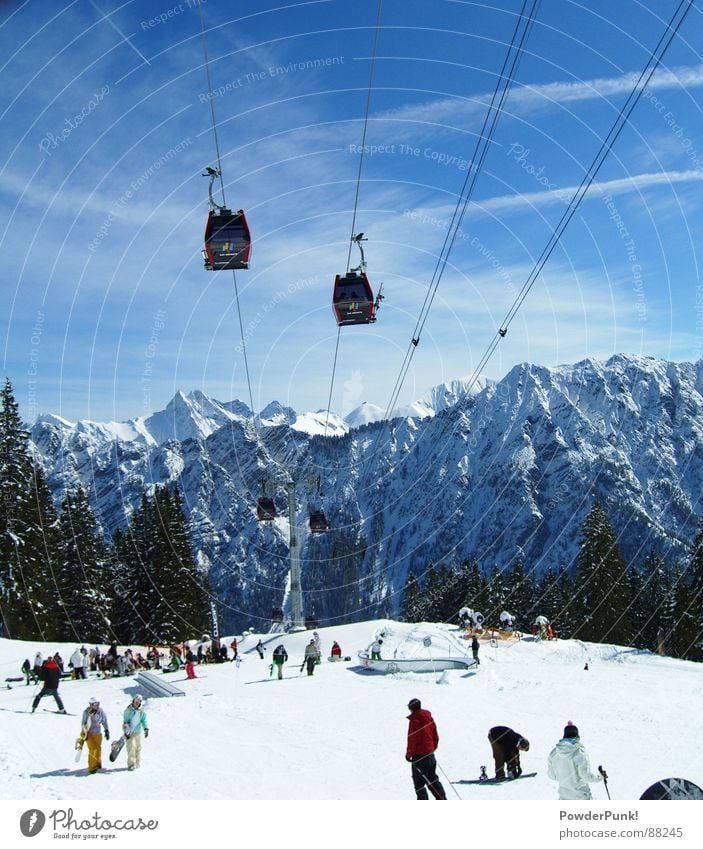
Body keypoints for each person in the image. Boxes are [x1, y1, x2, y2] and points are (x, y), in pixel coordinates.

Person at [547, 721, 604, 800]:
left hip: (564, 797)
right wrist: (600, 777)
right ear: (577, 736)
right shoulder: (579, 753)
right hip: (581, 797)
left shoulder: (553, 754)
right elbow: (586, 777)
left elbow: (552, 776)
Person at [405, 698, 446, 800]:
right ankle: (442, 799)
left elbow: (412, 739)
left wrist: (409, 754)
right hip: (430, 754)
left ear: (411, 708)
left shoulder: (414, 720)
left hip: (419, 756)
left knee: (419, 783)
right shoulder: (429, 718)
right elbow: (435, 735)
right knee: (432, 779)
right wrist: (432, 748)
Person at [79, 696, 109, 774]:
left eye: (97, 704)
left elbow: (104, 720)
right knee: (93, 749)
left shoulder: (100, 711)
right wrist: (84, 734)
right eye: (94, 704)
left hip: (98, 733)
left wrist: (106, 730)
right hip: (89, 734)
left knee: (98, 748)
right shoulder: (86, 712)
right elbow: (83, 723)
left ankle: (97, 763)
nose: (96, 706)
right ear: (90, 704)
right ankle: (92, 767)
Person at [122, 693, 149, 771]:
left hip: (138, 732)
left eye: (139, 701)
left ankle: (137, 763)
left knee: (138, 747)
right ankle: (131, 764)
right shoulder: (128, 710)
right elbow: (125, 722)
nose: (137, 702)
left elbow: (144, 720)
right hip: (130, 732)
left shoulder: (141, 711)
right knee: (131, 748)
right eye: (136, 701)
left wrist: (146, 728)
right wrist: (126, 731)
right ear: (133, 701)